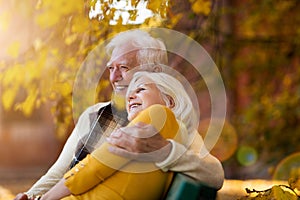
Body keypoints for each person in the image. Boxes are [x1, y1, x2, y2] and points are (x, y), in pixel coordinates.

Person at [14, 29, 224, 200]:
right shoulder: (95, 114)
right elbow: (58, 172)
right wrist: (31, 196)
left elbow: (214, 174)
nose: (114, 77)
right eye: (111, 68)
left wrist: (165, 150)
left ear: (154, 70)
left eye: (123, 67)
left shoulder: (168, 122)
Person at [40, 71, 198, 200]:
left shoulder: (160, 113)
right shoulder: (174, 135)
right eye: (130, 93)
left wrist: (45, 198)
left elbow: (94, 166)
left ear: (169, 101)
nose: (129, 97)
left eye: (141, 89)